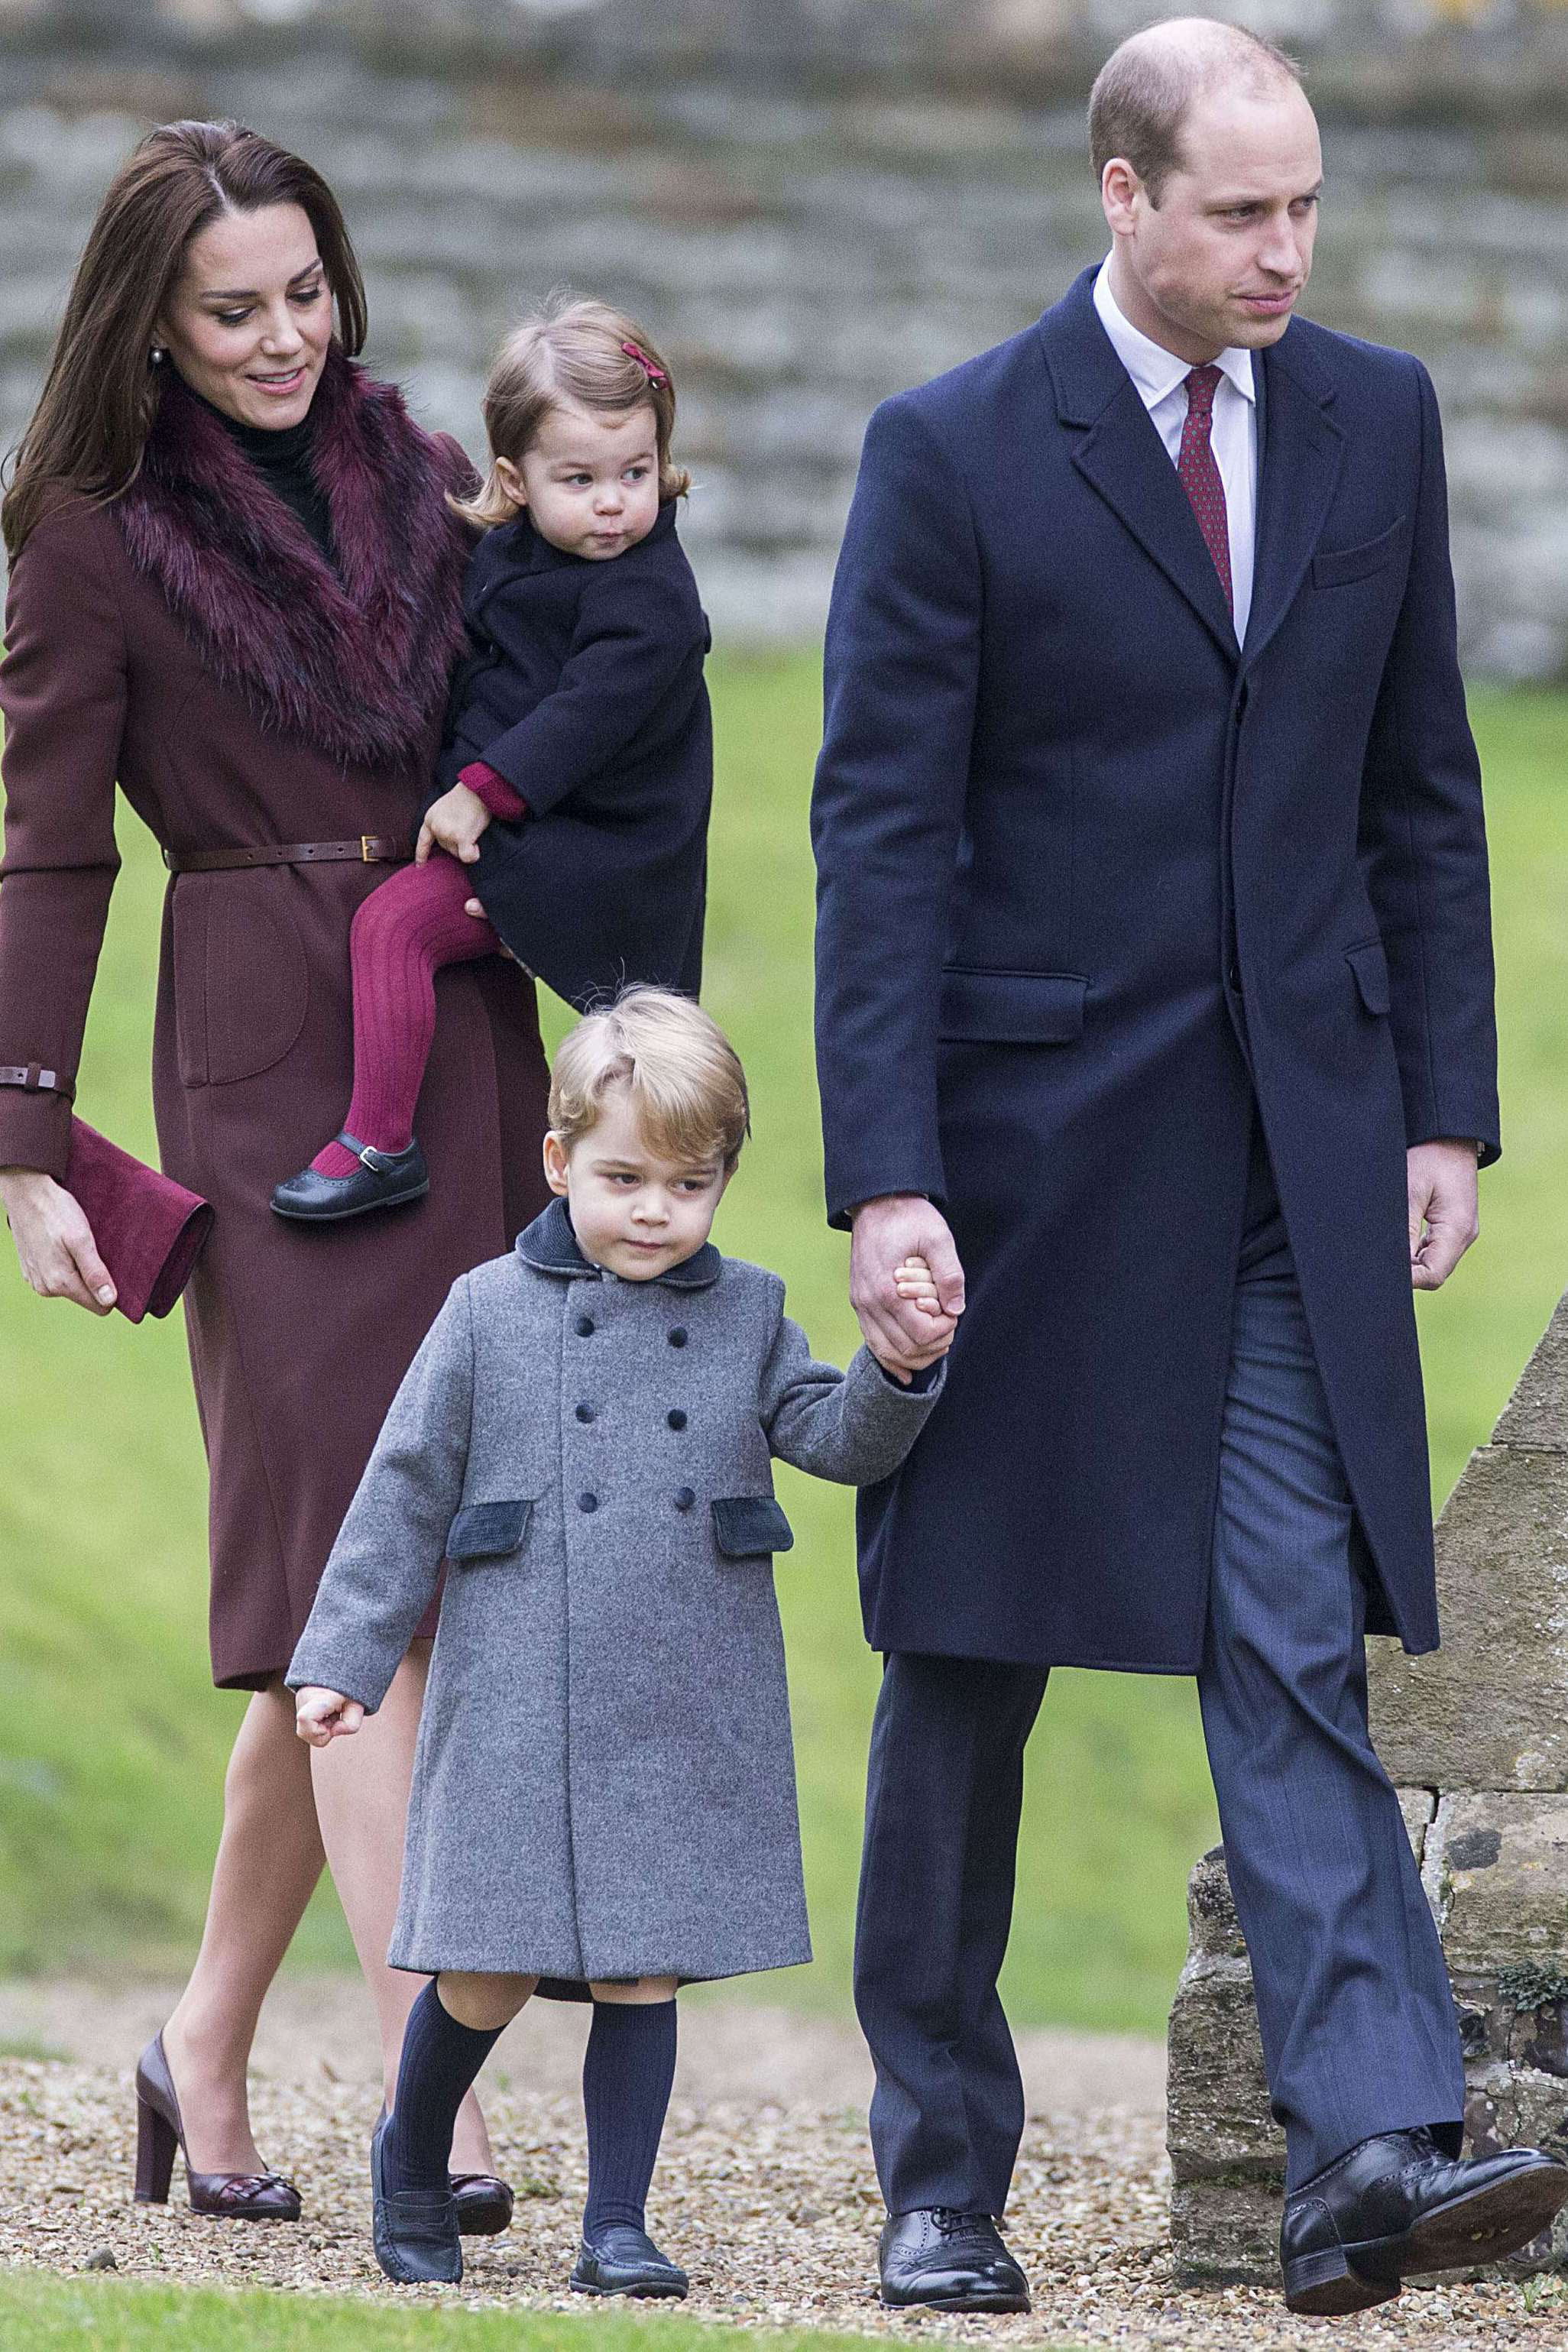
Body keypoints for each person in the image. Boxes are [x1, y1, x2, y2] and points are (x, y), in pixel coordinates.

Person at [811, 16, 1568, 2321]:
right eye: (1243, 210)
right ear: (1122, 193)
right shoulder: (951, 449)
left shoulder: (1375, 419)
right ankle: (942, 2184)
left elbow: (1422, 791)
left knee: (1290, 1631)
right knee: (967, 1661)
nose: (1286, 249)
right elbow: (881, 836)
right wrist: (889, 1174)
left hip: (1285, 1169)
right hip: (1024, 1172)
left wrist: (1440, 1104)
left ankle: (1367, 2149)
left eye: (1307, 203)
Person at [0, 121, 550, 2225]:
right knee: (353, 1587)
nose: (281, 336)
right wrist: (25, 1139)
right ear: (148, 322)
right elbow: (49, 849)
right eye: (230, 309)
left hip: (464, 1046)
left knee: (402, 1591)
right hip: (261, 1078)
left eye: (305, 292)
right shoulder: (88, 536)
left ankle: (201, 2041)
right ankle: (438, 2095)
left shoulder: (434, 480)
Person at [283, 986, 949, 2292]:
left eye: (689, 1184)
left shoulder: (749, 1310)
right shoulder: (484, 1308)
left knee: (647, 1967)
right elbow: (402, 1490)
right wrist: (340, 1661)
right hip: (516, 1689)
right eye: (625, 1177)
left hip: (678, 1687)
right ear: (559, 1161)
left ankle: (616, 2224)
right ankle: (411, 2155)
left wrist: (901, 1369)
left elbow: (832, 1437)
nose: (655, 1210)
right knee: (484, 1972)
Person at [273, 296, 712, 1223]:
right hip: (536, 832)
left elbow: (582, 717)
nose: (612, 502)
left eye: (635, 472)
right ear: (514, 480)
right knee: (613, 1053)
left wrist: (480, 792)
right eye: (579, 478)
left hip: (603, 855)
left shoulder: (653, 601)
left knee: (399, 930)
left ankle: (381, 1144)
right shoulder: (512, 554)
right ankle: (593, 1199)